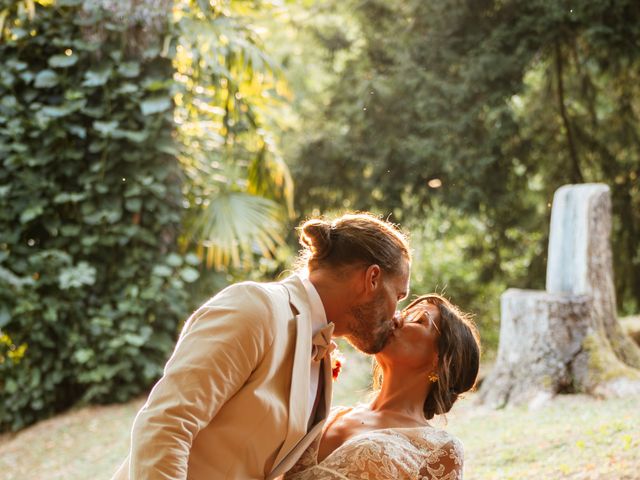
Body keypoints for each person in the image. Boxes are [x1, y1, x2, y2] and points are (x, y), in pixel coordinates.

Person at [112, 212, 411, 480]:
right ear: (372, 279)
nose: (396, 313)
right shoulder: (256, 307)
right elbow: (165, 425)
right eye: (398, 296)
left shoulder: (317, 350)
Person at [284, 294, 481, 480]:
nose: (395, 318)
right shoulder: (329, 413)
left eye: (419, 320)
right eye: (402, 313)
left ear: (442, 360)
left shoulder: (440, 450)